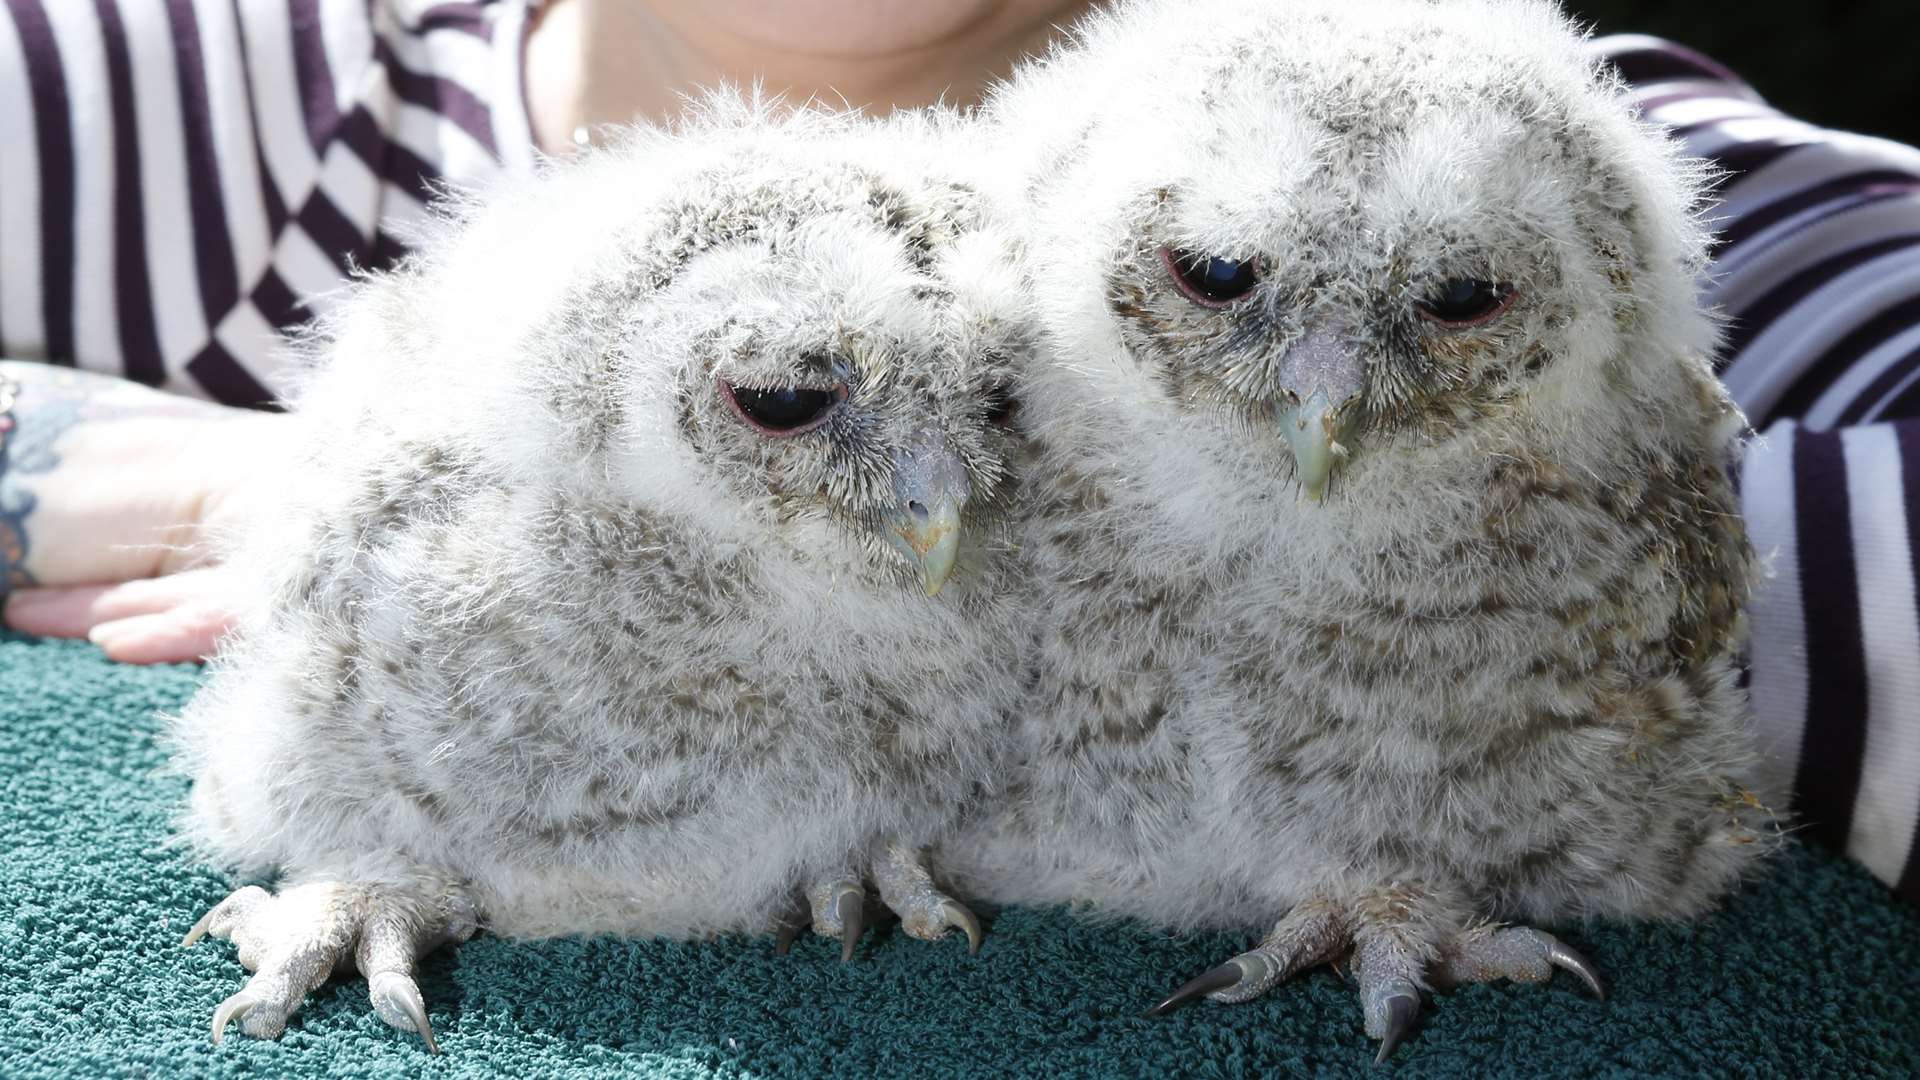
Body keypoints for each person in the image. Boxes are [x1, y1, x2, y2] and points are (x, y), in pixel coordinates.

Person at [1, 1, 1915, 903]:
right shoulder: (227, 104)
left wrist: (1546, 530)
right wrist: (359, 504)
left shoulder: (1537, 159)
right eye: (1214, 279)